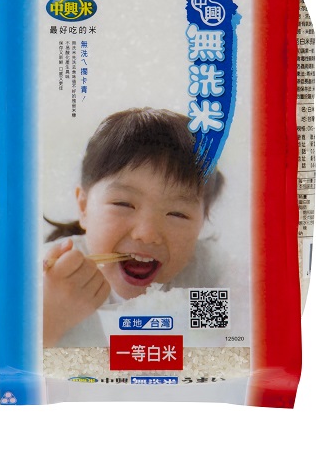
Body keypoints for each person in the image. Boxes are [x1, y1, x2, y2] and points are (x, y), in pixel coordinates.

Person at [43, 107, 224, 347]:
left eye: (177, 214)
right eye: (124, 204)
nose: (147, 234)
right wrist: (51, 318)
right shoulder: (50, 276)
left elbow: (215, 348)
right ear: (84, 207)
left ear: (202, 222)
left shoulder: (206, 276)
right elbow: (21, 357)